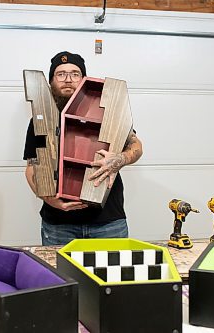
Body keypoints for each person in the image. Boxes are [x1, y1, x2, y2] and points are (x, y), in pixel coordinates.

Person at [23, 51, 143, 245]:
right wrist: (48, 199)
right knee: (60, 275)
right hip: (58, 224)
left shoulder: (108, 114)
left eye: (75, 73)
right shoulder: (40, 120)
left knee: (111, 276)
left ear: (84, 79)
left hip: (108, 221)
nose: (68, 80)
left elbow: (136, 146)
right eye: (61, 74)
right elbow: (31, 167)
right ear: (51, 81)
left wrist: (119, 160)